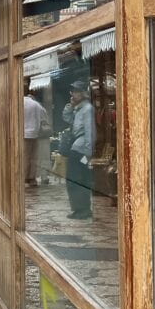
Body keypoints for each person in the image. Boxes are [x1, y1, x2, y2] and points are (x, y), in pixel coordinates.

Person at [64, 80, 95, 219]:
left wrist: (88, 153)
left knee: (79, 179)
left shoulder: (87, 108)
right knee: (73, 179)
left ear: (83, 93)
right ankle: (77, 208)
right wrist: (70, 106)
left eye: (76, 91)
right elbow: (66, 118)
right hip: (76, 147)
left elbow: (90, 131)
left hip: (81, 149)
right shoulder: (78, 108)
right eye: (73, 91)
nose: (74, 94)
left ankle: (83, 209)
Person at [23, 87, 50, 186]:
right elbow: (44, 119)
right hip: (34, 134)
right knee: (33, 157)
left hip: (22, 134)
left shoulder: (19, 102)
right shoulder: (36, 104)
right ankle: (32, 178)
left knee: (24, 157)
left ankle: (24, 178)